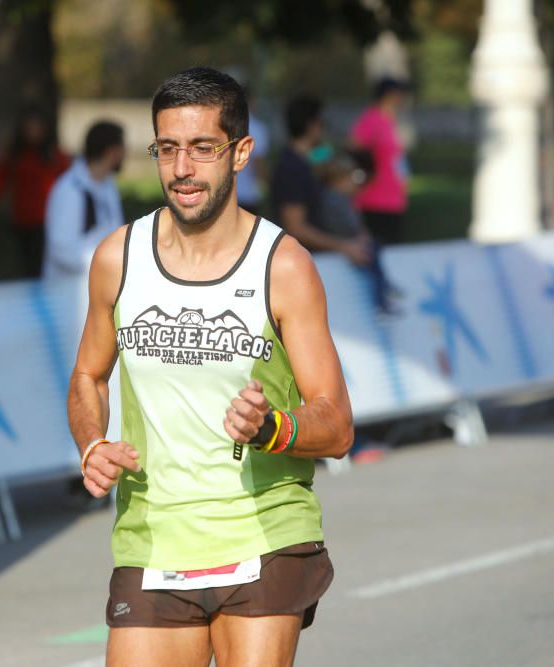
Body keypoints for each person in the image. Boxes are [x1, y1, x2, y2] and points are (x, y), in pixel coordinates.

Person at [67, 67, 353, 666]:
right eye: (167, 149)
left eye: (202, 149)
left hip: (264, 533)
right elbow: (89, 376)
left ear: (241, 152)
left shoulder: (283, 266)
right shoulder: (118, 258)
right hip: (154, 537)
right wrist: (93, 444)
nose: (182, 169)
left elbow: (336, 422)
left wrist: (274, 426)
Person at [270, 94, 370, 266]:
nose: (324, 129)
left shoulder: (309, 159)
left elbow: (329, 162)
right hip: (301, 264)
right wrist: (343, 246)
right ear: (311, 125)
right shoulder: (292, 169)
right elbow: (295, 227)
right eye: (322, 123)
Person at [0, 109, 71, 278]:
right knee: (27, 265)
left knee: (42, 264)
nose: (32, 132)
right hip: (22, 220)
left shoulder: (53, 155)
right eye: (29, 127)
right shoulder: (15, 155)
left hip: (48, 220)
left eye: (36, 127)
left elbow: (69, 181)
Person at [316, 153, 400, 314]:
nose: (355, 184)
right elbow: (342, 225)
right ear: (339, 180)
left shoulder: (343, 199)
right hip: (346, 241)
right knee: (371, 254)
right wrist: (356, 237)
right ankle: (381, 297)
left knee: (373, 249)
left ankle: (383, 289)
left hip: (351, 240)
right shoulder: (334, 201)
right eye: (352, 179)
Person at [44, 121, 126, 279]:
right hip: (68, 293)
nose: (125, 154)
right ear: (111, 151)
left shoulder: (108, 184)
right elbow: (62, 250)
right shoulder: (69, 189)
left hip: (99, 288)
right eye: (122, 148)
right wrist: (109, 262)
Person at [349, 78, 410, 246]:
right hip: (374, 201)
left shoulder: (390, 121)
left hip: (392, 201)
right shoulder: (372, 119)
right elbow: (353, 148)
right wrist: (368, 174)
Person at [235, 88, 269, 215]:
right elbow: (257, 163)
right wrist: (266, 184)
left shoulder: (225, 125)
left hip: (228, 194)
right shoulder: (258, 128)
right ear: (251, 101)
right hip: (249, 195)